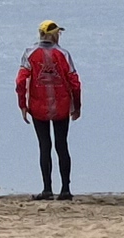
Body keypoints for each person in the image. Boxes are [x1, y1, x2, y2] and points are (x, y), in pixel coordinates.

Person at [15, 20, 81, 200]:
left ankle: (47, 189)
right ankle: (65, 189)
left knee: (44, 146)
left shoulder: (29, 53)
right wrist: (77, 106)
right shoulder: (63, 54)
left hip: (38, 107)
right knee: (62, 145)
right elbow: (75, 83)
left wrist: (22, 104)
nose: (59, 36)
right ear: (53, 35)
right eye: (58, 33)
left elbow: (20, 81)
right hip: (61, 106)